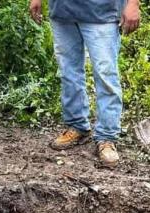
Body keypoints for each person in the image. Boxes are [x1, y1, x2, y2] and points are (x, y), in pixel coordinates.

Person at [29, 0, 140, 168]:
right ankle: (76, 125)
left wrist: (133, 4)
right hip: (62, 11)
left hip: (102, 12)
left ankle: (107, 137)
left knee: (105, 75)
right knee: (68, 72)